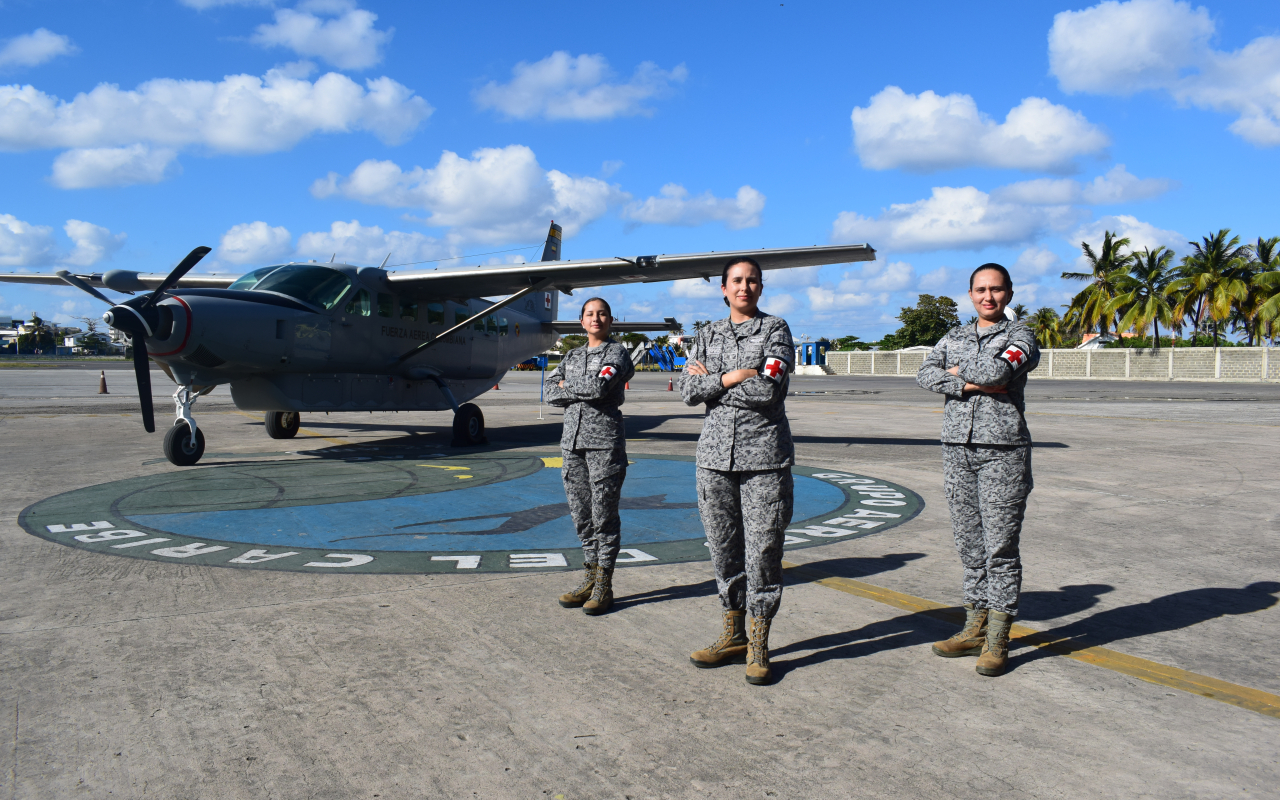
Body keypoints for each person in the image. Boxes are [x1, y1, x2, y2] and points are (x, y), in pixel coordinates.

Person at [917, 263, 1040, 677]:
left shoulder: (1021, 335)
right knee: (970, 544)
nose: (989, 297)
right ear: (970, 294)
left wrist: (954, 372)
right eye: (981, 290)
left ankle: (998, 638)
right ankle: (973, 626)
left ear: (1009, 292)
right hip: (957, 450)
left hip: (1001, 451)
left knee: (1000, 548)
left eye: (997, 290)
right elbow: (923, 374)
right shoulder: (954, 336)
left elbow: (999, 371)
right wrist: (968, 382)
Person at [680, 257, 795, 686]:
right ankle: (733, 634)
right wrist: (735, 375)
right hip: (713, 459)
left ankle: (760, 640)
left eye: (752, 281)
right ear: (724, 289)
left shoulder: (775, 330)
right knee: (723, 549)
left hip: (764, 458)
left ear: (760, 288)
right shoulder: (706, 333)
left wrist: (715, 379)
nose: (744, 287)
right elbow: (689, 390)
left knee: (763, 551)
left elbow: (768, 388)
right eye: (736, 281)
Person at [543, 297, 636, 615]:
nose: (595, 318)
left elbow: (599, 388)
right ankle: (589, 576)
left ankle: (604, 585)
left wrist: (568, 384)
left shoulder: (617, 353)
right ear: (581, 321)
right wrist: (567, 384)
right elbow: (549, 389)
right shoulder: (571, 355)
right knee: (582, 516)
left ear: (610, 320)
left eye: (602, 314)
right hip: (572, 446)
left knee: (603, 518)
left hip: (604, 446)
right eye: (589, 314)